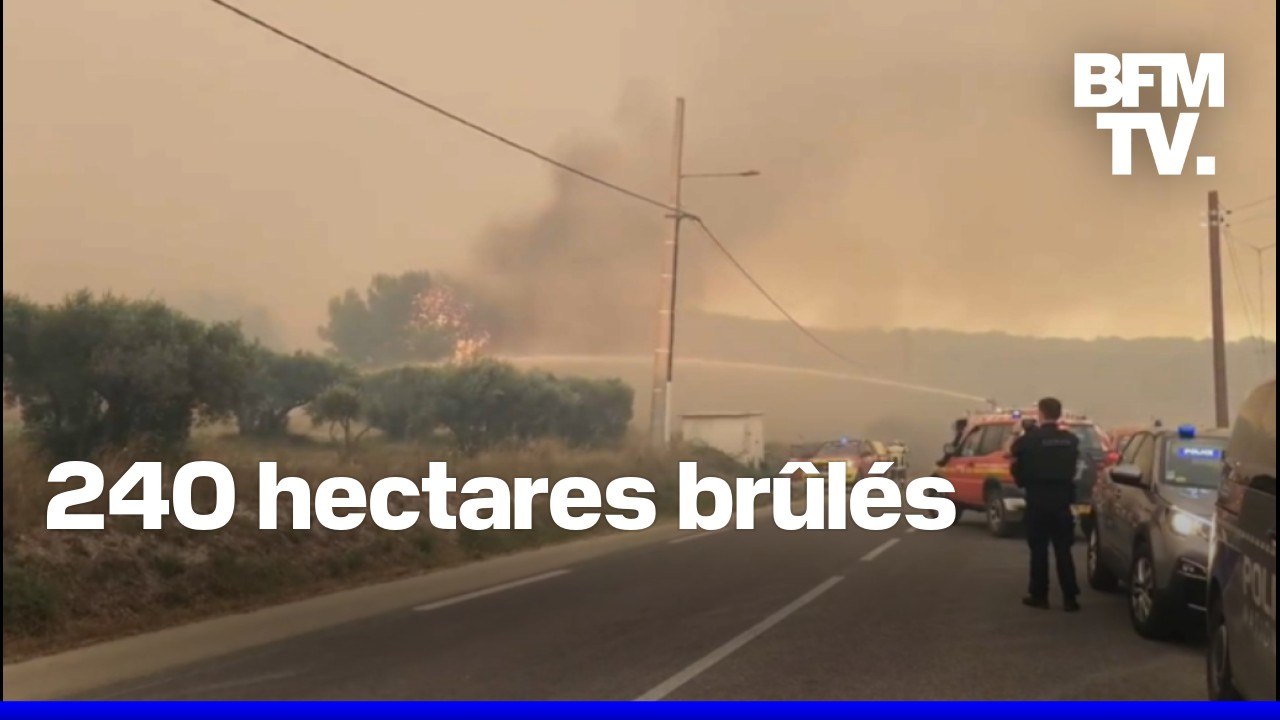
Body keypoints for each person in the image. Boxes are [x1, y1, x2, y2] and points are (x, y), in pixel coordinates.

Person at [1010, 397, 1081, 612]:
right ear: (1059, 414)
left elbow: (1015, 455)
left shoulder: (1030, 440)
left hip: (1038, 502)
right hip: (1062, 502)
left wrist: (1021, 432)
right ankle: (1070, 598)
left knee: (1039, 552)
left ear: (1040, 414)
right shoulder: (1071, 440)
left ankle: (1039, 595)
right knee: (1063, 551)